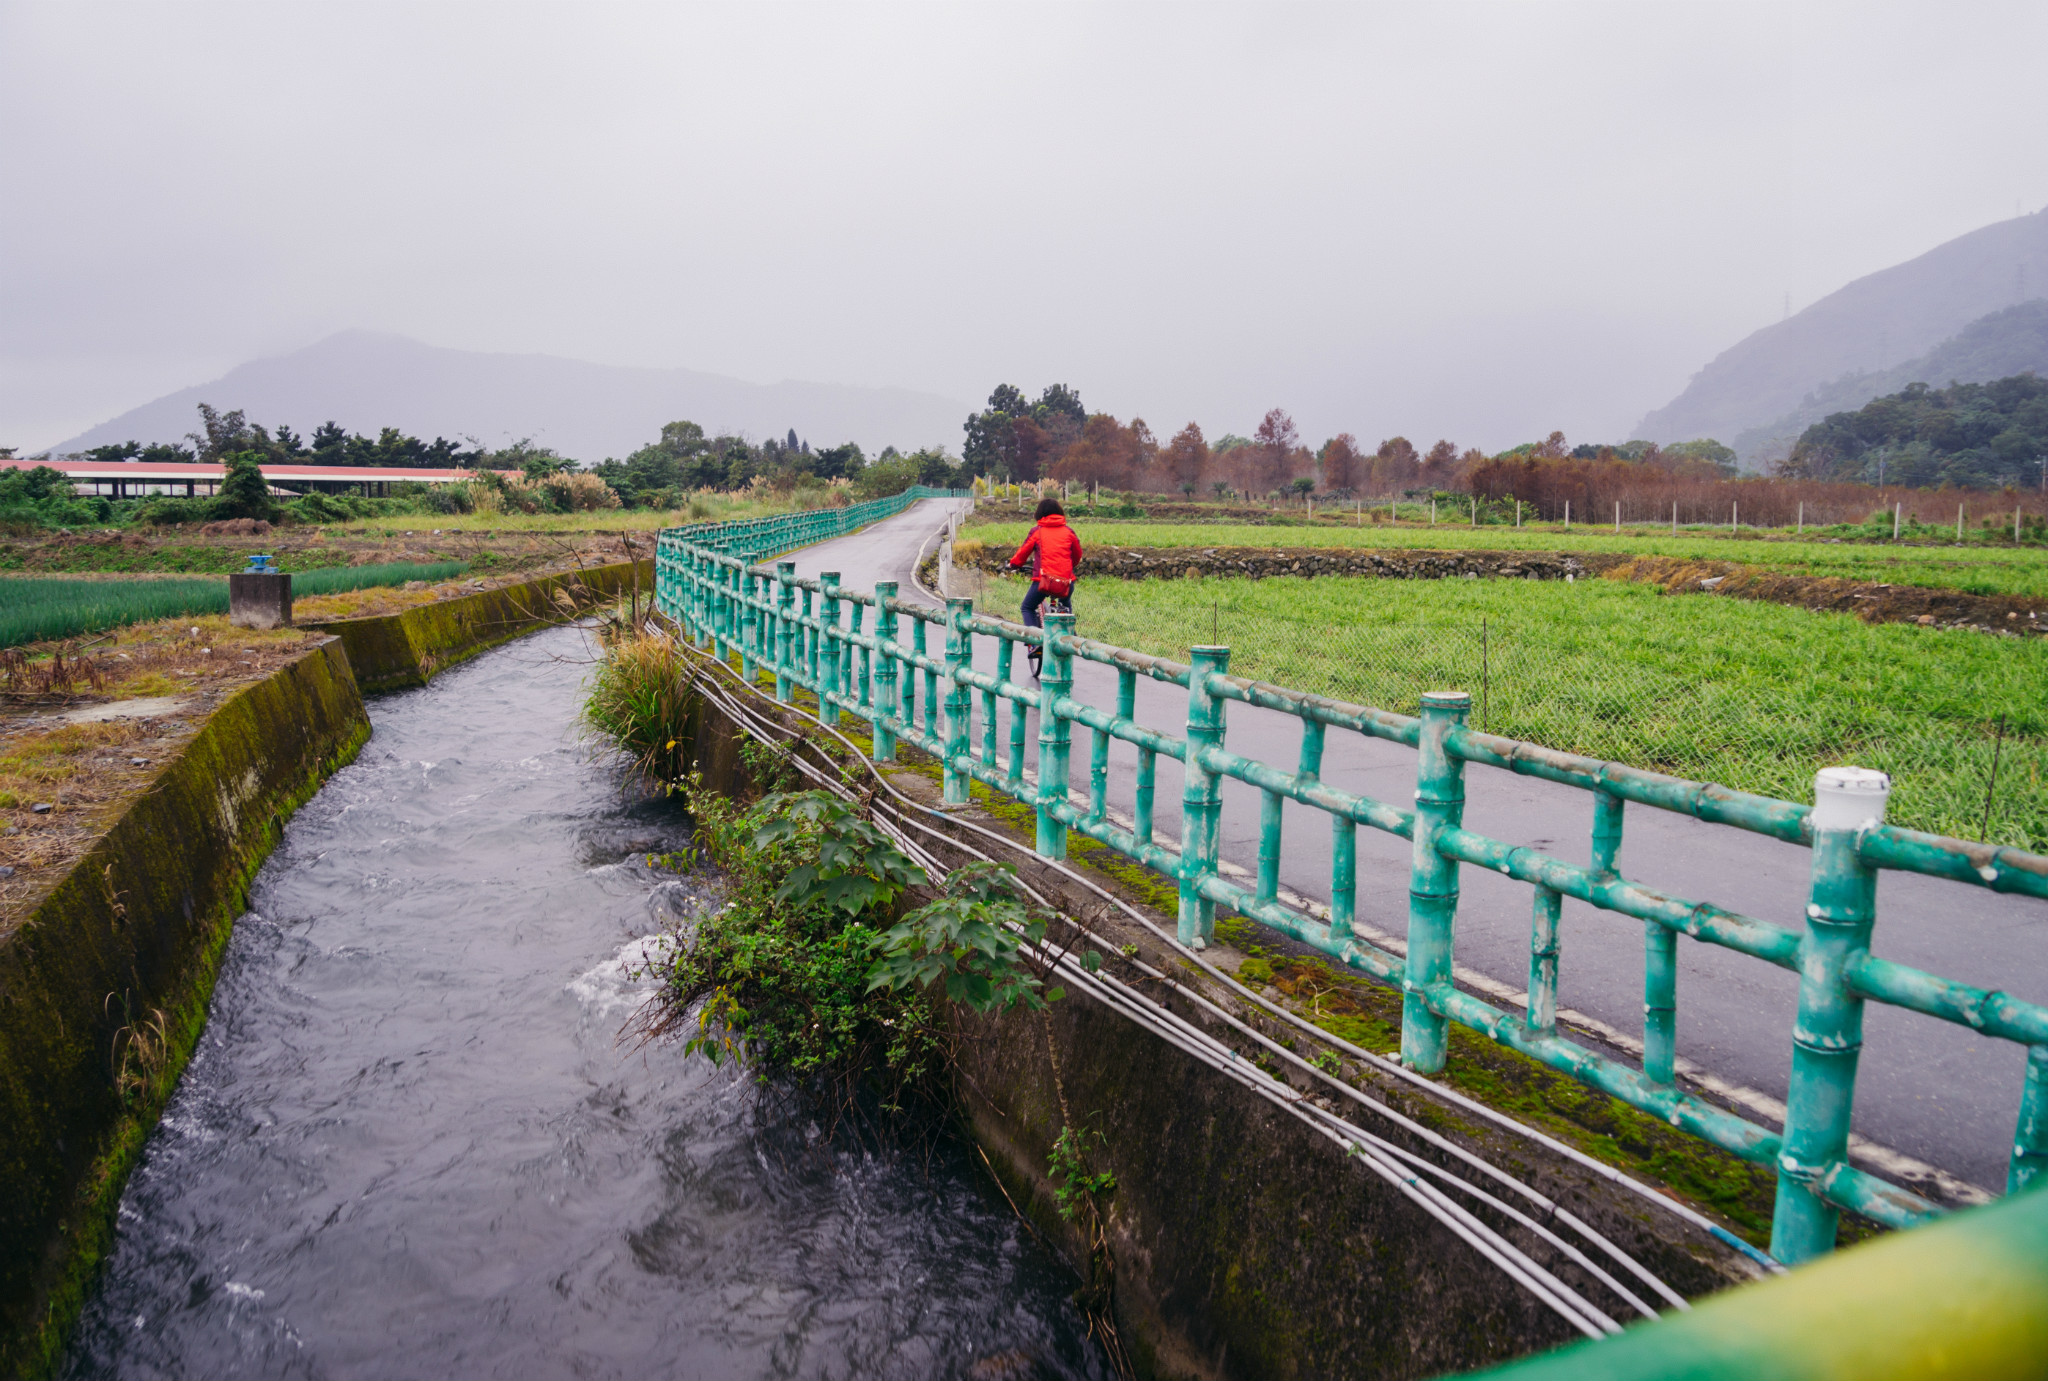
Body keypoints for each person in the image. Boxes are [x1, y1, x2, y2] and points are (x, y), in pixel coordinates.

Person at [1006, 497, 1082, 678]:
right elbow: (1077, 554)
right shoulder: (1069, 531)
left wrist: (1014, 565)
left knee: (1027, 607)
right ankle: (1070, 634)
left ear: (1040, 514)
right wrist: (1068, 568)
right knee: (1065, 602)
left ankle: (1034, 643)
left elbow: (1022, 554)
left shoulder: (1037, 531)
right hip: (1065, 582)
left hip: (1044, 582)